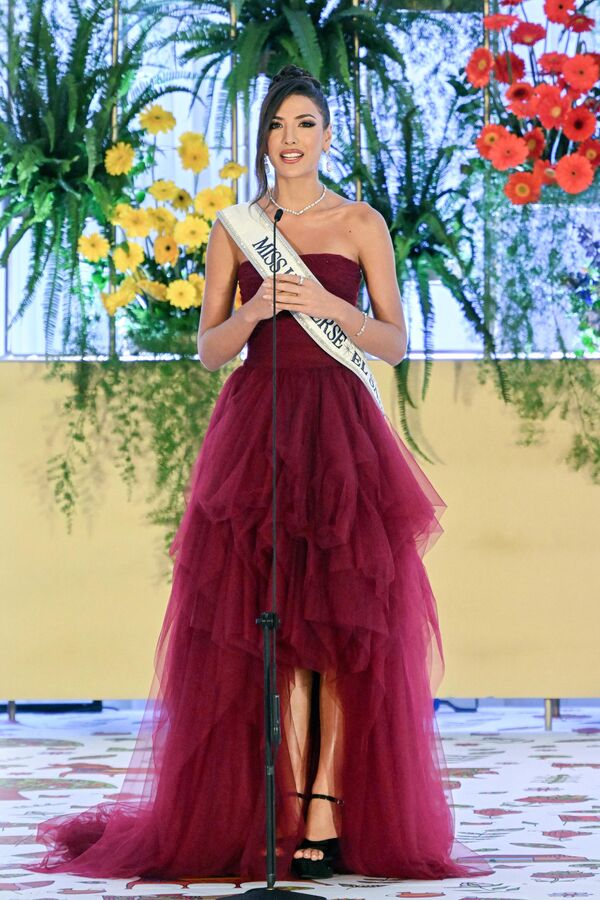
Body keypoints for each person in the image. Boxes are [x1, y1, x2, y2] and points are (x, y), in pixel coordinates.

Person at [23, 65, 493, 883]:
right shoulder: (236, 228)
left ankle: (330, 810)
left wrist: (330, 309)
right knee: (275, 629)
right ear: (264, 137)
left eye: (306, 124)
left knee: (343, 628)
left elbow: (393, 341)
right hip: (260, 433)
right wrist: (253, 310)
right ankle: (278, 811)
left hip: (341, 437)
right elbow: (209, 350)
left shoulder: (360, 224)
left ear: (327, 134)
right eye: (280, 125)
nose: (291, 139)